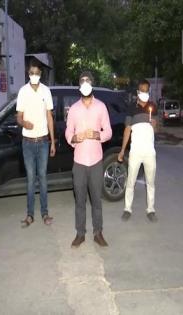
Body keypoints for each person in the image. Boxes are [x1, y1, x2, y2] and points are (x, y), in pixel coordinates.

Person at [65, 71, 112, 247]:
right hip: (79, 162)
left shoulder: (101, 107)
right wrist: (74, 138)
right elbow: (68, 131)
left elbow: (108, 132)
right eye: (82, 81)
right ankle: (80, 233)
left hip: (96, 161)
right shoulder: (74, 108)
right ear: (79, 85)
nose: (85, 83)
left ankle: (98, 232)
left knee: (97, 200)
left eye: (88, 81)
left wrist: (97, 134)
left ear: (92, 84)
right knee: (80, 199)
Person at [16, 58, 56, 227]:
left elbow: (49, 117)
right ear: (28, 73)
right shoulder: (22, 92)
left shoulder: (46, 91)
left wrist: (53, 141)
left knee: (43, 178)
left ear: (41, 74)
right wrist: (24, 123)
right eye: (31, 73)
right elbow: (18, 116)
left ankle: (45, 213)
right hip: (28, 143)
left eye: (37, 73)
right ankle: (30, 215)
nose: (34, 75)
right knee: (31, 179)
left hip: (43, 142)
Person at [118, 79, 158, 222]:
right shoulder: (131, 108)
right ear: (137, 92)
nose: (145, 93)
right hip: (135, 151)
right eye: (142, 90)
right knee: (131, 182)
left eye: (147, 90)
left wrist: (154, 124)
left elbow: (156, 129)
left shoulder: (153, 107)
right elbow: (127, 130)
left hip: (150, 153)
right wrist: (123, 150)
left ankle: (151, 210)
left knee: (150, 182)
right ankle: (127, 209)